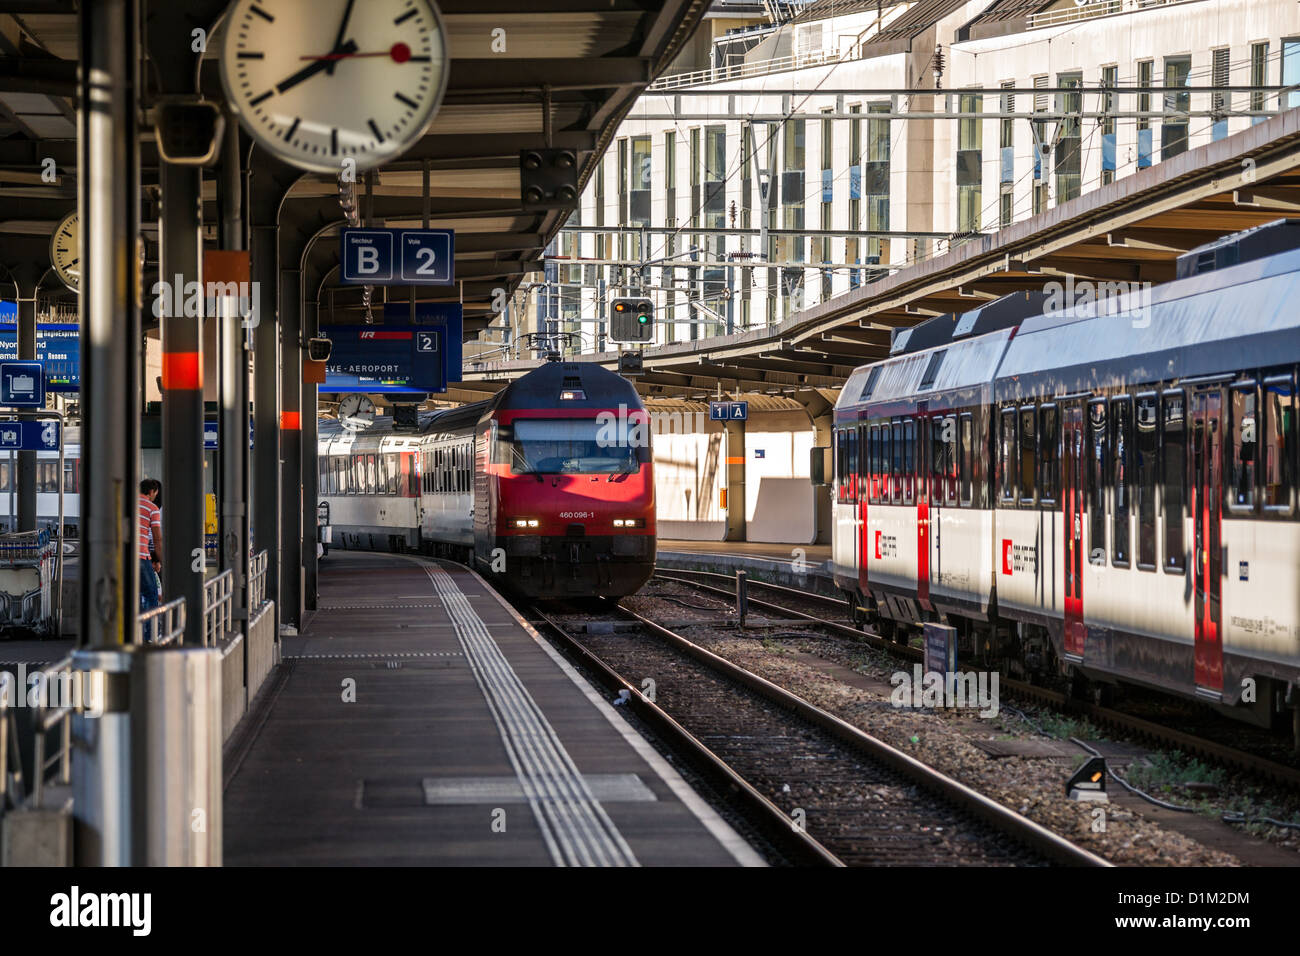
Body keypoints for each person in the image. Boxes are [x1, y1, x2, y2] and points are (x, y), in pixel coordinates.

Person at [138, 478, 163, 641]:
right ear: (152, 491)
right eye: (156, 493)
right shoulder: (152, 508)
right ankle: (149, 635)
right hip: (141, 556)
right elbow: (157, 539)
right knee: (151, 594)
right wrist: (159, 559)